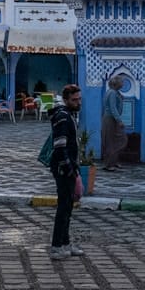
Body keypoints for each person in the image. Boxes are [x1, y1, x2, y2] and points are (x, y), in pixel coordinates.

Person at [47, 84, 85, 259]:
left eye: (79, 99)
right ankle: (56, 246)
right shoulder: (62, 117)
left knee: (68, 206)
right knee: (63, 207)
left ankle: (65, 243)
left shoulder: (69, 115)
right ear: (66, 100)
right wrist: (68, 167)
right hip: (63, 167)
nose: (78, 102)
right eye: (74, 100)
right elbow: (60, 144)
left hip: (69, 166)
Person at [100, 74, 126, 172]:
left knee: (116, 140)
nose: (123, 84)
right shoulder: (112, 93)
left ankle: (113, 161)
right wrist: (119, 120)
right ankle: (109, 164)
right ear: (117, 83)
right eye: (121, 82)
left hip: (112, 119)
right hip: (110, 119)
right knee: (111, 141)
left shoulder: (114, 92)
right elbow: (113, 108)